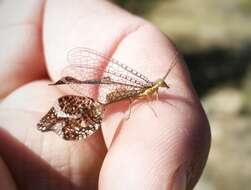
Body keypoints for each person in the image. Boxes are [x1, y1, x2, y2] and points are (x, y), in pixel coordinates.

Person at [0, 1, 210, 189]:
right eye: (160, 85)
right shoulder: (145, 90)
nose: (161, 88)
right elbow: (139, 100)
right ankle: (65, 118)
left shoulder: (150, 89)